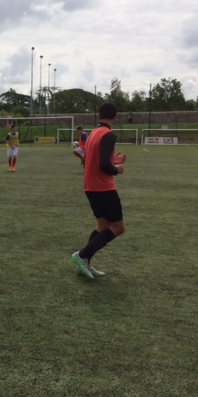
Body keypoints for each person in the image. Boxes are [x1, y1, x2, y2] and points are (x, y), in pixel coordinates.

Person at [71, 102, 127, 279]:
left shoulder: (94, 133)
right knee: (118, 227)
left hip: (91, 186)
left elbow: (93, 158)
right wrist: (116, 169)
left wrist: (113, 159)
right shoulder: (108, 135)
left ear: (99, 116)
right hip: (103, 188)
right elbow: (104, 165)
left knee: (102, 226)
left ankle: (85, 263)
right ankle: (81, 255)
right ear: (115, 116)